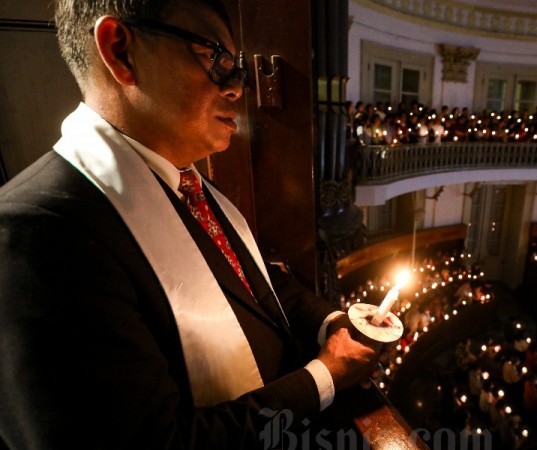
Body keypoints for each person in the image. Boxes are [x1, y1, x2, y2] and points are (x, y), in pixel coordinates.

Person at [0, 0, 383, 447]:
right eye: (216, 59)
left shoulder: (185, 180)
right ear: (121, 51)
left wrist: (333, 324)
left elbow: (256, 286)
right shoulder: (37, 235)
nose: (239, 88)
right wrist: (326, 375)